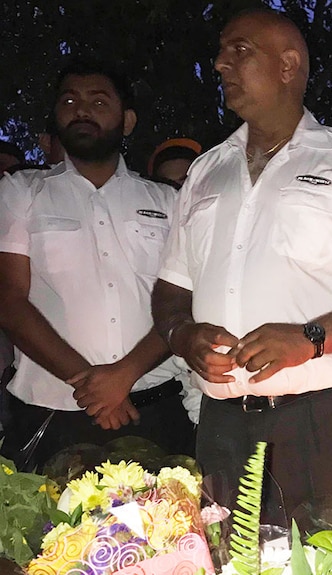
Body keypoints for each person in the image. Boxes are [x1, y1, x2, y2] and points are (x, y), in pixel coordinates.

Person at [151, 9, 332, 520]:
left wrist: (310, 338)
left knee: (330, 559)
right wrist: (180, 336)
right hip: (222, 422)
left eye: (239, 51)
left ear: (287, 65)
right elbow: (171, 289)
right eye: (221, 52)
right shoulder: (204, 172)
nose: (220, 64)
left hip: (323, 420)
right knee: (222, 558)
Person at [0, 59, 194, 469]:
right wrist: (91, 386)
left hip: (154, 409)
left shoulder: (168, 202)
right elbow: (9, 298)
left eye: (98, 101)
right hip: (50, 412)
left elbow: (184, 300)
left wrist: (123, 376)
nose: (81, 110)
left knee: (173, 529)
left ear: (126, 121)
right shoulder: (21, 191)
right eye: (69, 100)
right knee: (45, 530)